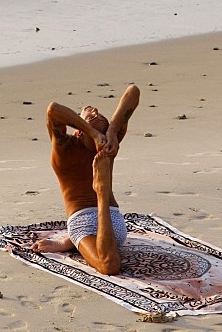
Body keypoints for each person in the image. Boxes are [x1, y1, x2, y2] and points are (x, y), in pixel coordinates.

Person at [31, 84, 140, 275]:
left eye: (94, 116)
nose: (95, 110)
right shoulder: (103, 146)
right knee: (107, 260)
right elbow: (134, 91)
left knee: (108, 266)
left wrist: (107, 131)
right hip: (107, 219)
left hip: (89, 221)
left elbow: (53, 110)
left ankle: (73, 236)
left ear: (78, 131)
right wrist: (106, 132)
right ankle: (69, 241)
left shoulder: (65, 149)